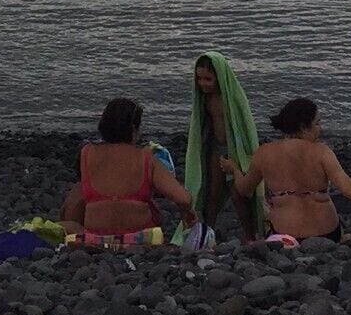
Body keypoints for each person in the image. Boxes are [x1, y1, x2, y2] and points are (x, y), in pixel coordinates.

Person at [236, 97, 351, 242]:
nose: (320, 128)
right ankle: (344, 239)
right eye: (317, 123)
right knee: (346, 236)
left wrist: (234, 170)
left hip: (284, 235)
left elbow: (244, 189)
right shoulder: (321, 152)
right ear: (304, 127)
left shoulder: (264, 153)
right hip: (326, 234)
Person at [60, 98, 191, 244]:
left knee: (77, 196)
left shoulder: (87, 154)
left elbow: (75, 201)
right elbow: (184, 199)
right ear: (134, 130)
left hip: (96, 237)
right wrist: (188, 218)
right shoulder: (145, 157)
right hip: (139, 238)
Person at [186, 52, 264, 244]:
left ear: (220, 77)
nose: (203, 83)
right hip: (216, 148)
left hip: (235, 150)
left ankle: (249, 235)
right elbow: (204, 124)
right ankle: (207, 232)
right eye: (199, 78)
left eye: (208, 79)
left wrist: (244, 156)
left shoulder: (231, 99)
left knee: (239, 195)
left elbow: (244, 126)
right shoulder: (206, 99)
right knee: (213, 193)